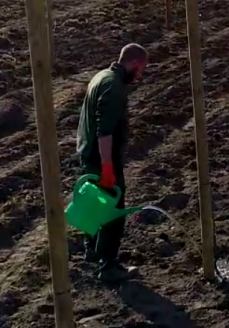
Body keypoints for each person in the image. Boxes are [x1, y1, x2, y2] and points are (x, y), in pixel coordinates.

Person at [77, 43, 147, 283]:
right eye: (140, 70)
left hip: (88, 153)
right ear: (135, 63)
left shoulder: (100, 76)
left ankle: (92, 249)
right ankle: (108, 266)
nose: (139, 76)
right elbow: (104, 131)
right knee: (113, 210)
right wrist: (107, 167)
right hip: (102, 157)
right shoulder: (114, 87)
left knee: (94, 204)